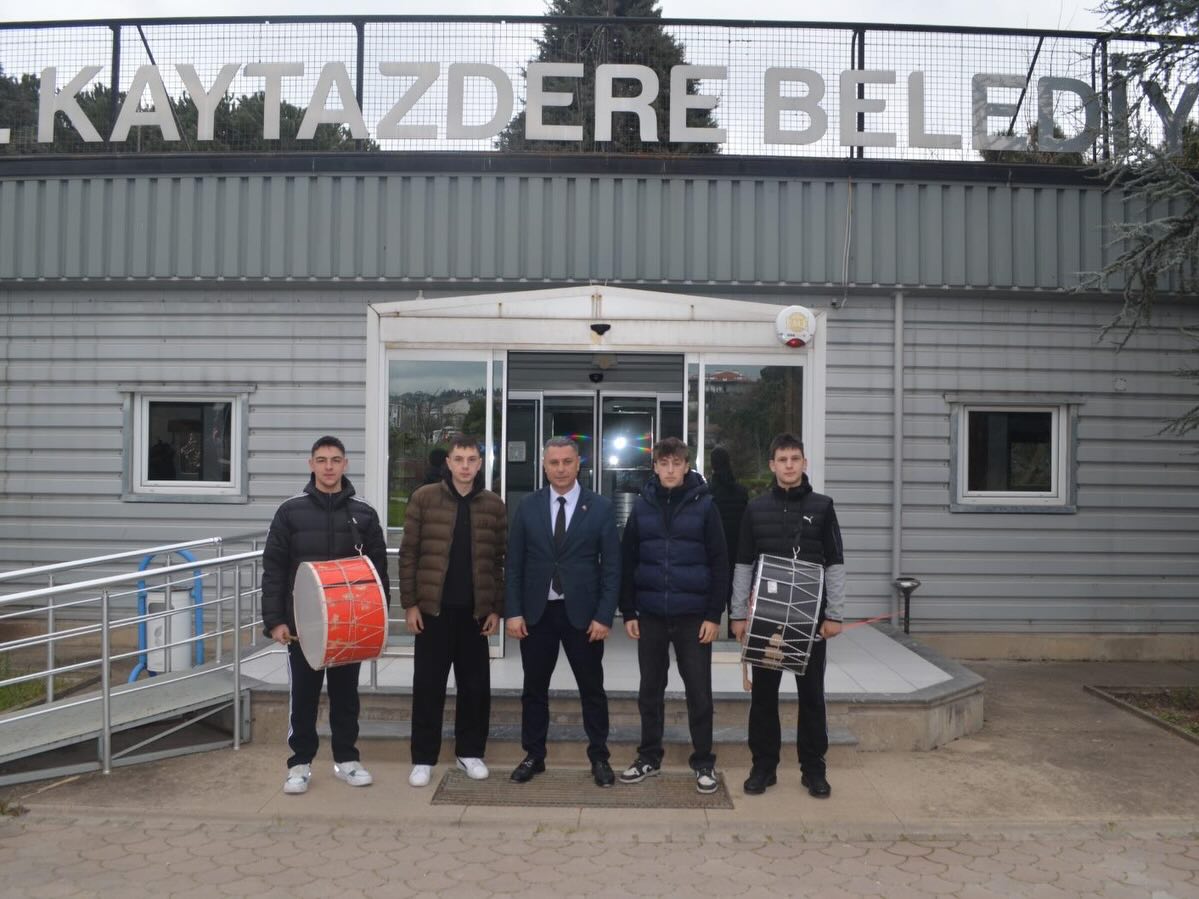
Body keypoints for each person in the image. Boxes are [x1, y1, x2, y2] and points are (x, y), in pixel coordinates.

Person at [261, 436, 390, 795]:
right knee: (303, 696)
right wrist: (275, 620)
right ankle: (299, 764)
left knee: (346, 696)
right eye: (322, 460)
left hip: (350, 624)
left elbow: (378, 572)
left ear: (345, 464)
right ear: (311, 464)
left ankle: (347, 760)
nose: (329, 466)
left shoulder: (364, 513)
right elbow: (274, 569)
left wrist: (377, 621)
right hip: (303, 626)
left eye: (335, 460)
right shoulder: (290, 511)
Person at [730, 433, 845, 799]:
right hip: (765, 620)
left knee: (811, 696)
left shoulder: (823, 507)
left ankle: (814, 770)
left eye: (795, 458)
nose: (790, 465)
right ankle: (763, 767)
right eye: (783, 459)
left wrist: (834, 614)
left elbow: (835, 563)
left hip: (810, 622)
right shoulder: (755, 509)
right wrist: (737, 615)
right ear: (772, 465)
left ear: (804, 463)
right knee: (764, 697)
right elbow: (743, 564)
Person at [505, 436, 620, 787]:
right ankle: (534, 755)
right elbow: (514, 563)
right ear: (544, 466)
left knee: (592, 689)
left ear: (578, 464)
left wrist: (604, 616)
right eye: (553, 462)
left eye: (567, 462)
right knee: (534, 690)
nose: (560, 469)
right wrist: (513, 611)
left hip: (583, 617)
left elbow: (612, 568)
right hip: (537, 614)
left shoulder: (599, 507)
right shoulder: (527, 506)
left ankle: (599, 757)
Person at [618, 438, 728, 794]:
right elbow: (627, 559)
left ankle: (704, 762)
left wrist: (714, 614)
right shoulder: (642, 506)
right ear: (655, 467)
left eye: (676, 463)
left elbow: (720, 562)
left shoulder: (705, 506)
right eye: (663, 463)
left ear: (686, 466)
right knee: (650, 690)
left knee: (699, 692)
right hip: (650, 614)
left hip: (693, 617)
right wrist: (628, 610)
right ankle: (649, 757)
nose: (669, 470)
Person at [400, 434, 506, 787]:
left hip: (475, 614)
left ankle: (470, 752)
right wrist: (410, 604)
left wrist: (496, 608)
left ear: (480, 464)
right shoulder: (424, 498)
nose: (465, 466)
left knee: (475, 688)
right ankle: (423, 758)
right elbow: (409, 555)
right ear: (448, 463)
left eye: (471, 459)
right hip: (433, 611)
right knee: (428, 687)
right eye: (458, 459)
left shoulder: (493, 505)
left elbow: (500, 561)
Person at [707, 446, 748, 636]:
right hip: (736, 547)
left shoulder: (708, 492)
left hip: (714, 549)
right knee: (735, 592)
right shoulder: (741, 491)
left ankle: (708, 634)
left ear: (712, 465)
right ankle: (735, 634)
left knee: (713, 590)